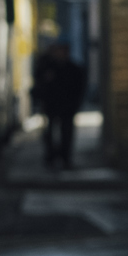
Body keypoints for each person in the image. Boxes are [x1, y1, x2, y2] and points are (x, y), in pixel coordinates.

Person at [32, 40, 85, 169]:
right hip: (52, 107)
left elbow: (79, 88)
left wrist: (75, 104)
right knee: (50, 133)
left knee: (66, 134)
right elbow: (39, 83)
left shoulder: (73, 69)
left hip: (67, 108)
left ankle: (65, 158)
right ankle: (51, 157)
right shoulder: (48, 67)